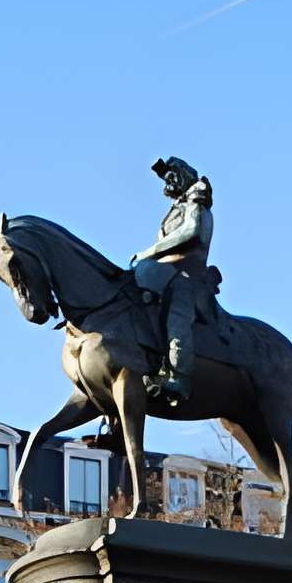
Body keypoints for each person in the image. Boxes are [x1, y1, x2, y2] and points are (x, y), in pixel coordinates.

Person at [129, 156, 215, 404]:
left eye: (171, 176)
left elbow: (191, 232)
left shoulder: (197, 200)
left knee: (178, 312)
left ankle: (179, 375)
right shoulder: (176, 208)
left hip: (187, 274)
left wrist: (149, 251)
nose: (168, 182)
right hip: (165, 273)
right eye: (166, 179)